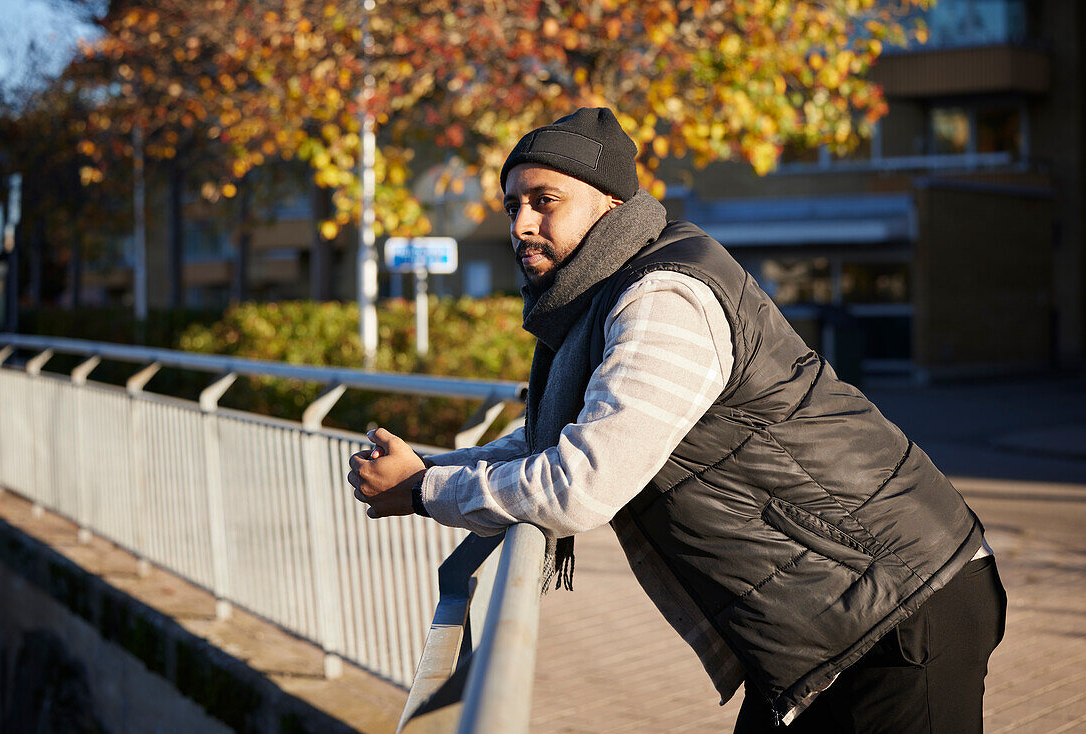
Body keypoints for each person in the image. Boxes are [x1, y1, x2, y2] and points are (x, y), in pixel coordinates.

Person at [348, 108, 1007, 732]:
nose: (520, 223)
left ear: (609, 204)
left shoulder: (664, 297)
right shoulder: (602, 295)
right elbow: (561, 437)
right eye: (512, 204)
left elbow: (582, 483)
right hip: (833, 620)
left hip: (899, 607)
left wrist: (426, 493)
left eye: (544, 201)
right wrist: (433, 467)